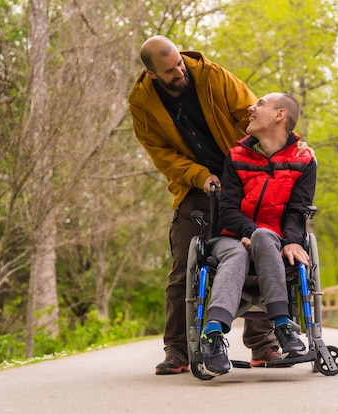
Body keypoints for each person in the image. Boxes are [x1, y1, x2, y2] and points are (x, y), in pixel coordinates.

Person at [128, 36, 312, 375]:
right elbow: (162, 154)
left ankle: (265, 345)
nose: (179, 71)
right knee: (186, 260)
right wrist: (200, 176)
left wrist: (267, 158)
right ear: (152, 74)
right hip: (197, 184)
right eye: (170, 71)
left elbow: (252, 113)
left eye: (180, 64)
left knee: (261, 242)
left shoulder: (212, 76)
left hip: (245, 171)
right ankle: (179, 350)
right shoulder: (142, 104)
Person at [200, 92, 315, 376]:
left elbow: (298, 210)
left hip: (273, 240)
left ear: (280, 115)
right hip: (230, 238)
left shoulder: (304, 160)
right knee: (238, 250)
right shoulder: (237, 156)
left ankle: (283, 325)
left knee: (265, 236)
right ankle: (213, 335)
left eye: (261, 104)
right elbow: (227, 209)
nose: (252, 107)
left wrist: (290, 241)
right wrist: (248, 231)